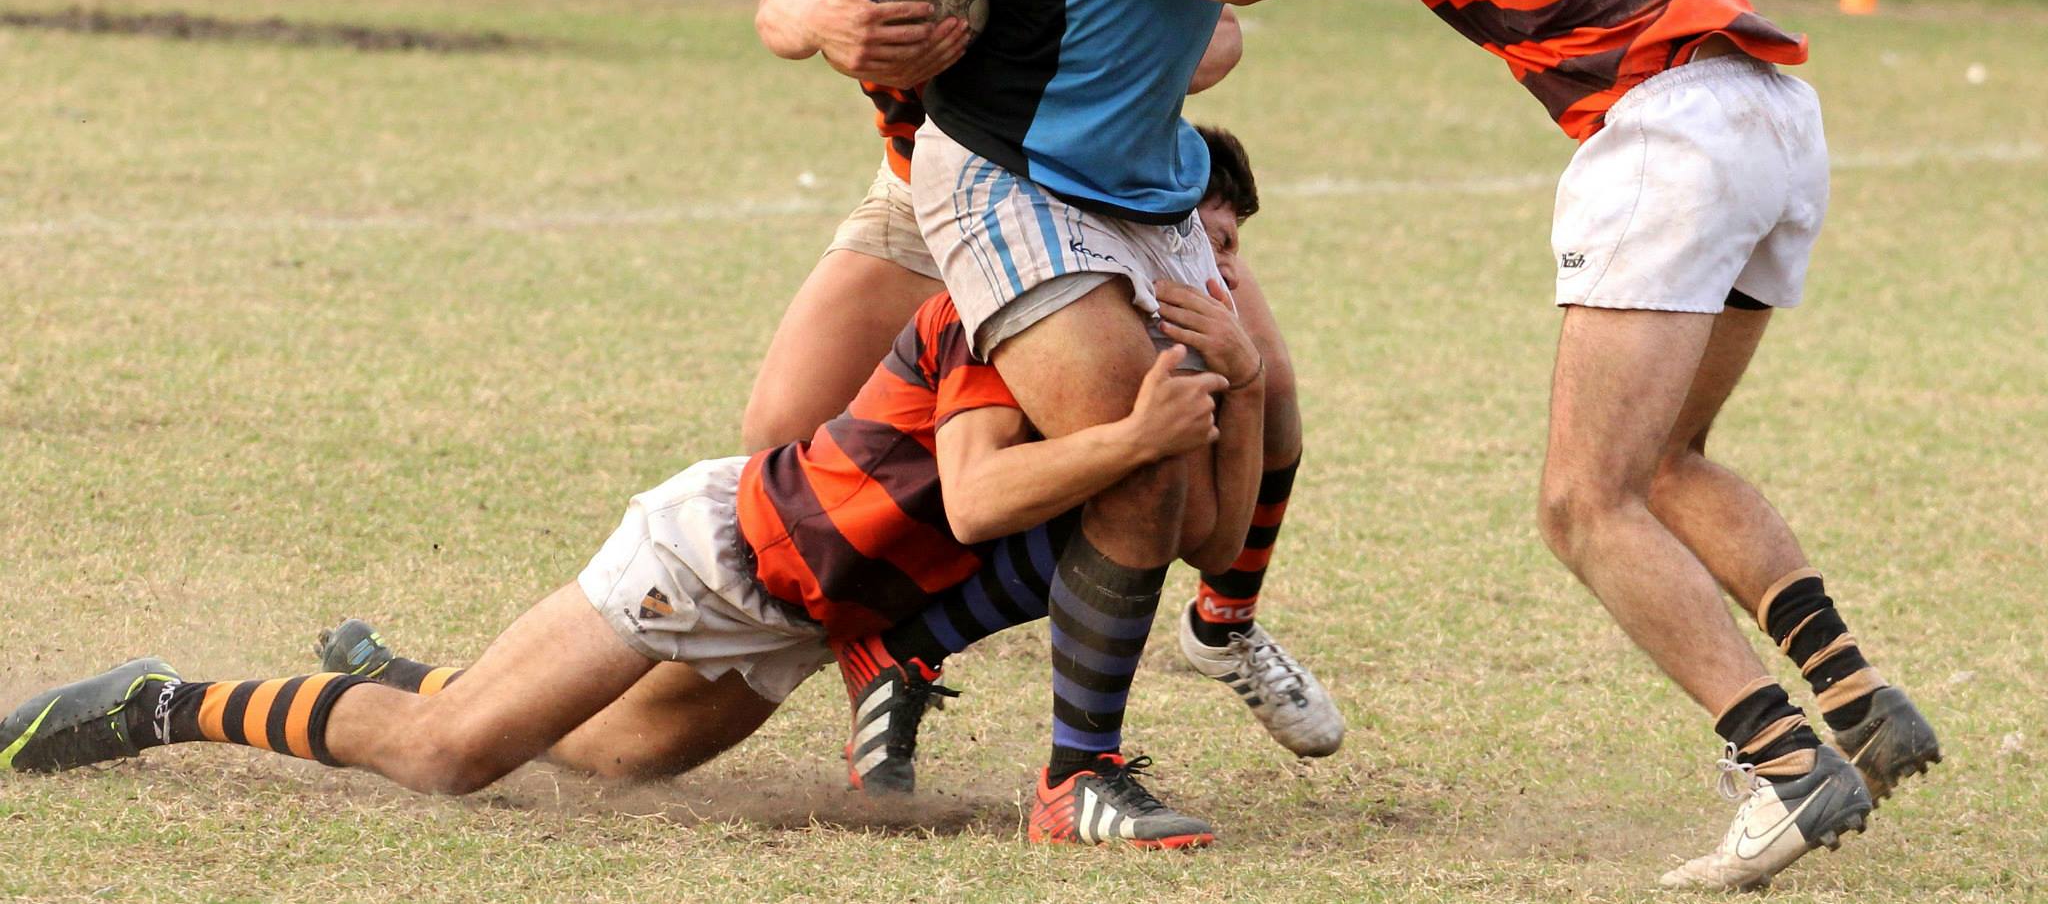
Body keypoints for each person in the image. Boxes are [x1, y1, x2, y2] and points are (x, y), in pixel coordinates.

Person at [947, 0, 1941, 892]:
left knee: (1585, 502)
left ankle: (1777, 760)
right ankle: (1858, 700)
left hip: (1662, 137)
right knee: (1675, 461)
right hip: (1767, 111)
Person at [809, 0, 1369, 846]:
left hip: (1151, 185)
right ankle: (1078, 775)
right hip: (995, 173)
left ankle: (923, 638)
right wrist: (828, 16)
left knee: (1208, 491)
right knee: (1136, 429)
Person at [0, 284, 1261, 836]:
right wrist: (1141, 434)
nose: (1204, 262)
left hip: (796, 618)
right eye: (1192, 227)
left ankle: (413, 669)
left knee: (608, 758)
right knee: (455, 759)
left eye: (1220, 244)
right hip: (723, 552)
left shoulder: (1160, 343)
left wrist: (1242, 384)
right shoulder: (1014, 304)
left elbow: (1203, 538)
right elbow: (982, 495)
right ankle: (155, 701)